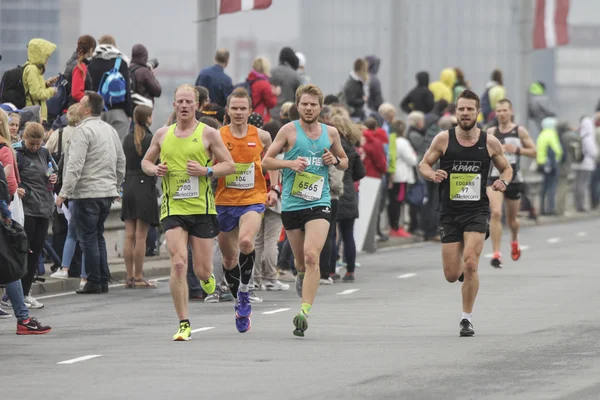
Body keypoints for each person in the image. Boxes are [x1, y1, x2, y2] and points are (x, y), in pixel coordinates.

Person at [141, 84, 235, 341]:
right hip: (173, 209)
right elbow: (146, 162)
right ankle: (183, 323)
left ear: (196, 105)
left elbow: (230, 165)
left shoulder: (208, 134)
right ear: (174, 105)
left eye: (188, 102)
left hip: (202, 210)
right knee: (179, 263)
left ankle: (208, 280)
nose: (184, 106)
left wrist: (206, 171)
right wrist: (155, 170)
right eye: (180, 102)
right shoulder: (161, 134)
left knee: (203, 271)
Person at [418, 90, 512, 337]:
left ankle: (466, 318)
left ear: (478, 112)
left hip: (476, 211)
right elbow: (423, 164)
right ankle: (462, 276)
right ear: (456, 112)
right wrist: (432, 174)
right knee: (451, 275)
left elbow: (507, 168)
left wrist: (503, 181)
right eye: (461, 109)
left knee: (471, 262)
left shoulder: (489, 142)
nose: (465, 113)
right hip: (449, 212)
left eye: (470, 109)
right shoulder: (443, 139)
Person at [262, 84, 348, 337]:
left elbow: (344, 161)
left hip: (319, 201)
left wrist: (335, 160)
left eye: (313, 104)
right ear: (297, 106)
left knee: (312, 256)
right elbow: (266, 160)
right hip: (292, 203)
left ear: (320, 108)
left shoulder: (330, 133)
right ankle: (300, 274)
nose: (309, 108)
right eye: (304, 104)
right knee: (300, 261)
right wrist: (289, 162)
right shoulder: (288, 131)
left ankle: (304, 312)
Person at [215, 88, 278, 333]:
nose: (239, 112)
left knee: (245, 242)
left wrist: (274, 189)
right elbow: (208, 162)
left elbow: (272, 160)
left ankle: (244, 290)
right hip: (224, 202)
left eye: (243, 108)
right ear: (227, 111)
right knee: (229, 260)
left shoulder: (262, 136)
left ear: (251, 111)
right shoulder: (217, 136)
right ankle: (237, 299)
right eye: (235, 108)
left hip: (253, 199)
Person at [486, 99, 536, 268]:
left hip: (514, 179)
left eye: (504, 110)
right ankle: (496, 254)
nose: (501, 114)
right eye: (498, 111)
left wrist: (518, 150)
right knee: (495, 213)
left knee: (512, 220)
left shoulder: (519, 131)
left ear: (511, 111)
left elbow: (534, 152)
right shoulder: (491, 132)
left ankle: (514, 240)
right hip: (494, 177)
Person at [121, 105, 159, 288]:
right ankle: (138, 276)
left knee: (129, 235)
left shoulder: (127, 138)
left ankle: (128, 276)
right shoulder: (151, 139)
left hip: (129, 185)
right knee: (141, 237)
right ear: (148, 119)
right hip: (145, 187)